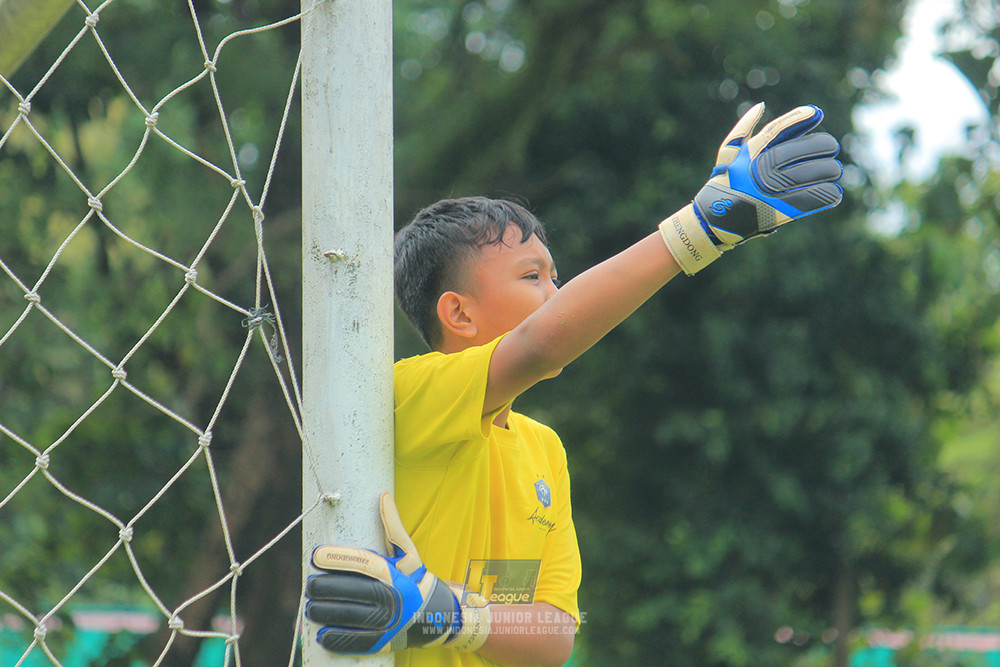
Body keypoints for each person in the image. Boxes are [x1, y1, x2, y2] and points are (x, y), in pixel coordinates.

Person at [302, 102, 844, 666]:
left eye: (556, 277)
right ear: (458, 314)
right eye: (533, 276)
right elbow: (542, 342)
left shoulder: (543, 450)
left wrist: (443, 612)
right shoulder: (406, 393)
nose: (556, 296)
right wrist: (700, 229)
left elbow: (555, 635)